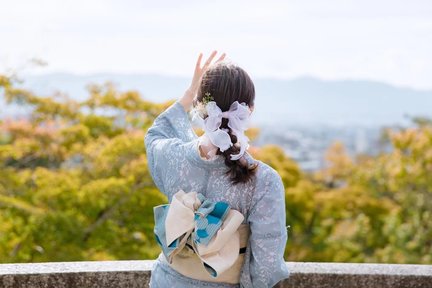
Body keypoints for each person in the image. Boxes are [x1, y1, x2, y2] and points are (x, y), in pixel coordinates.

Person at [144, 50, 290, 288]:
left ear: (200, 106)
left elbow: (157, 133)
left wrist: (190, 92)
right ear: (249, 110)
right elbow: (267, 265)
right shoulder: (263, 180)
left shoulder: (173, 155)